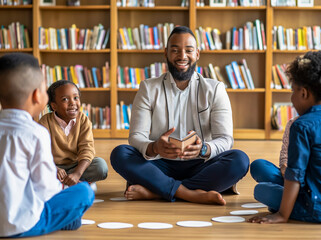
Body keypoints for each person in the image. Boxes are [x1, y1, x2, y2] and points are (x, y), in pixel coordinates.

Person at [110, 26, 249, 205]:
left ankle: (158, 191)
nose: (182, 56)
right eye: (175, 50)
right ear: (166, 53)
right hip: (160, 164)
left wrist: (204, 149)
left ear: (197, 54)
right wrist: (154, 148)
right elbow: (136, 136)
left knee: (239, 160)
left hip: (200, 164)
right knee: (120, 153)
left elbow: (225, 139)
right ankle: (191, 193)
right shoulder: (148, 88)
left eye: (188, 50)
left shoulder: (215, 89)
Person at [248, 51, 321, 224]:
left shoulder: (301, 126)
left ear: (304, 93)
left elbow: (295, 174)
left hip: (316, 209)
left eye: (293, 91)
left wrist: (282, 215)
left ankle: (289, 208)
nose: (291, 98)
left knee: (261, 191)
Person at [0, 53, 94, 238]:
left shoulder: (81, 121)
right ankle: (65, 219)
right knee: (84, 192)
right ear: (37, 96)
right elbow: (46, 190)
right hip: (22, 225)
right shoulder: (36, 132)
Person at [250, 85, 321, 187]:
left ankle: (290, 198)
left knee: (263, 192)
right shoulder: (294, 123)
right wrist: (285, 169)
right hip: (295, 179)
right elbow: (285, 158)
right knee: (259, 166)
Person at [39, 80, 108, 188]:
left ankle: (67, 182)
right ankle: (77, 183)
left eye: (76, 98)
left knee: (101, 167)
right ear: (54, 106)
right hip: (53, 166)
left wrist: (77, 173)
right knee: (38, 169)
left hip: (76, 165)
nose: (72, 103)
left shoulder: (83, 120)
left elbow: (87, 149)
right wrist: (54, 168)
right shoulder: (45, 122)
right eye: (65, 99)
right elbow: (40, 152)